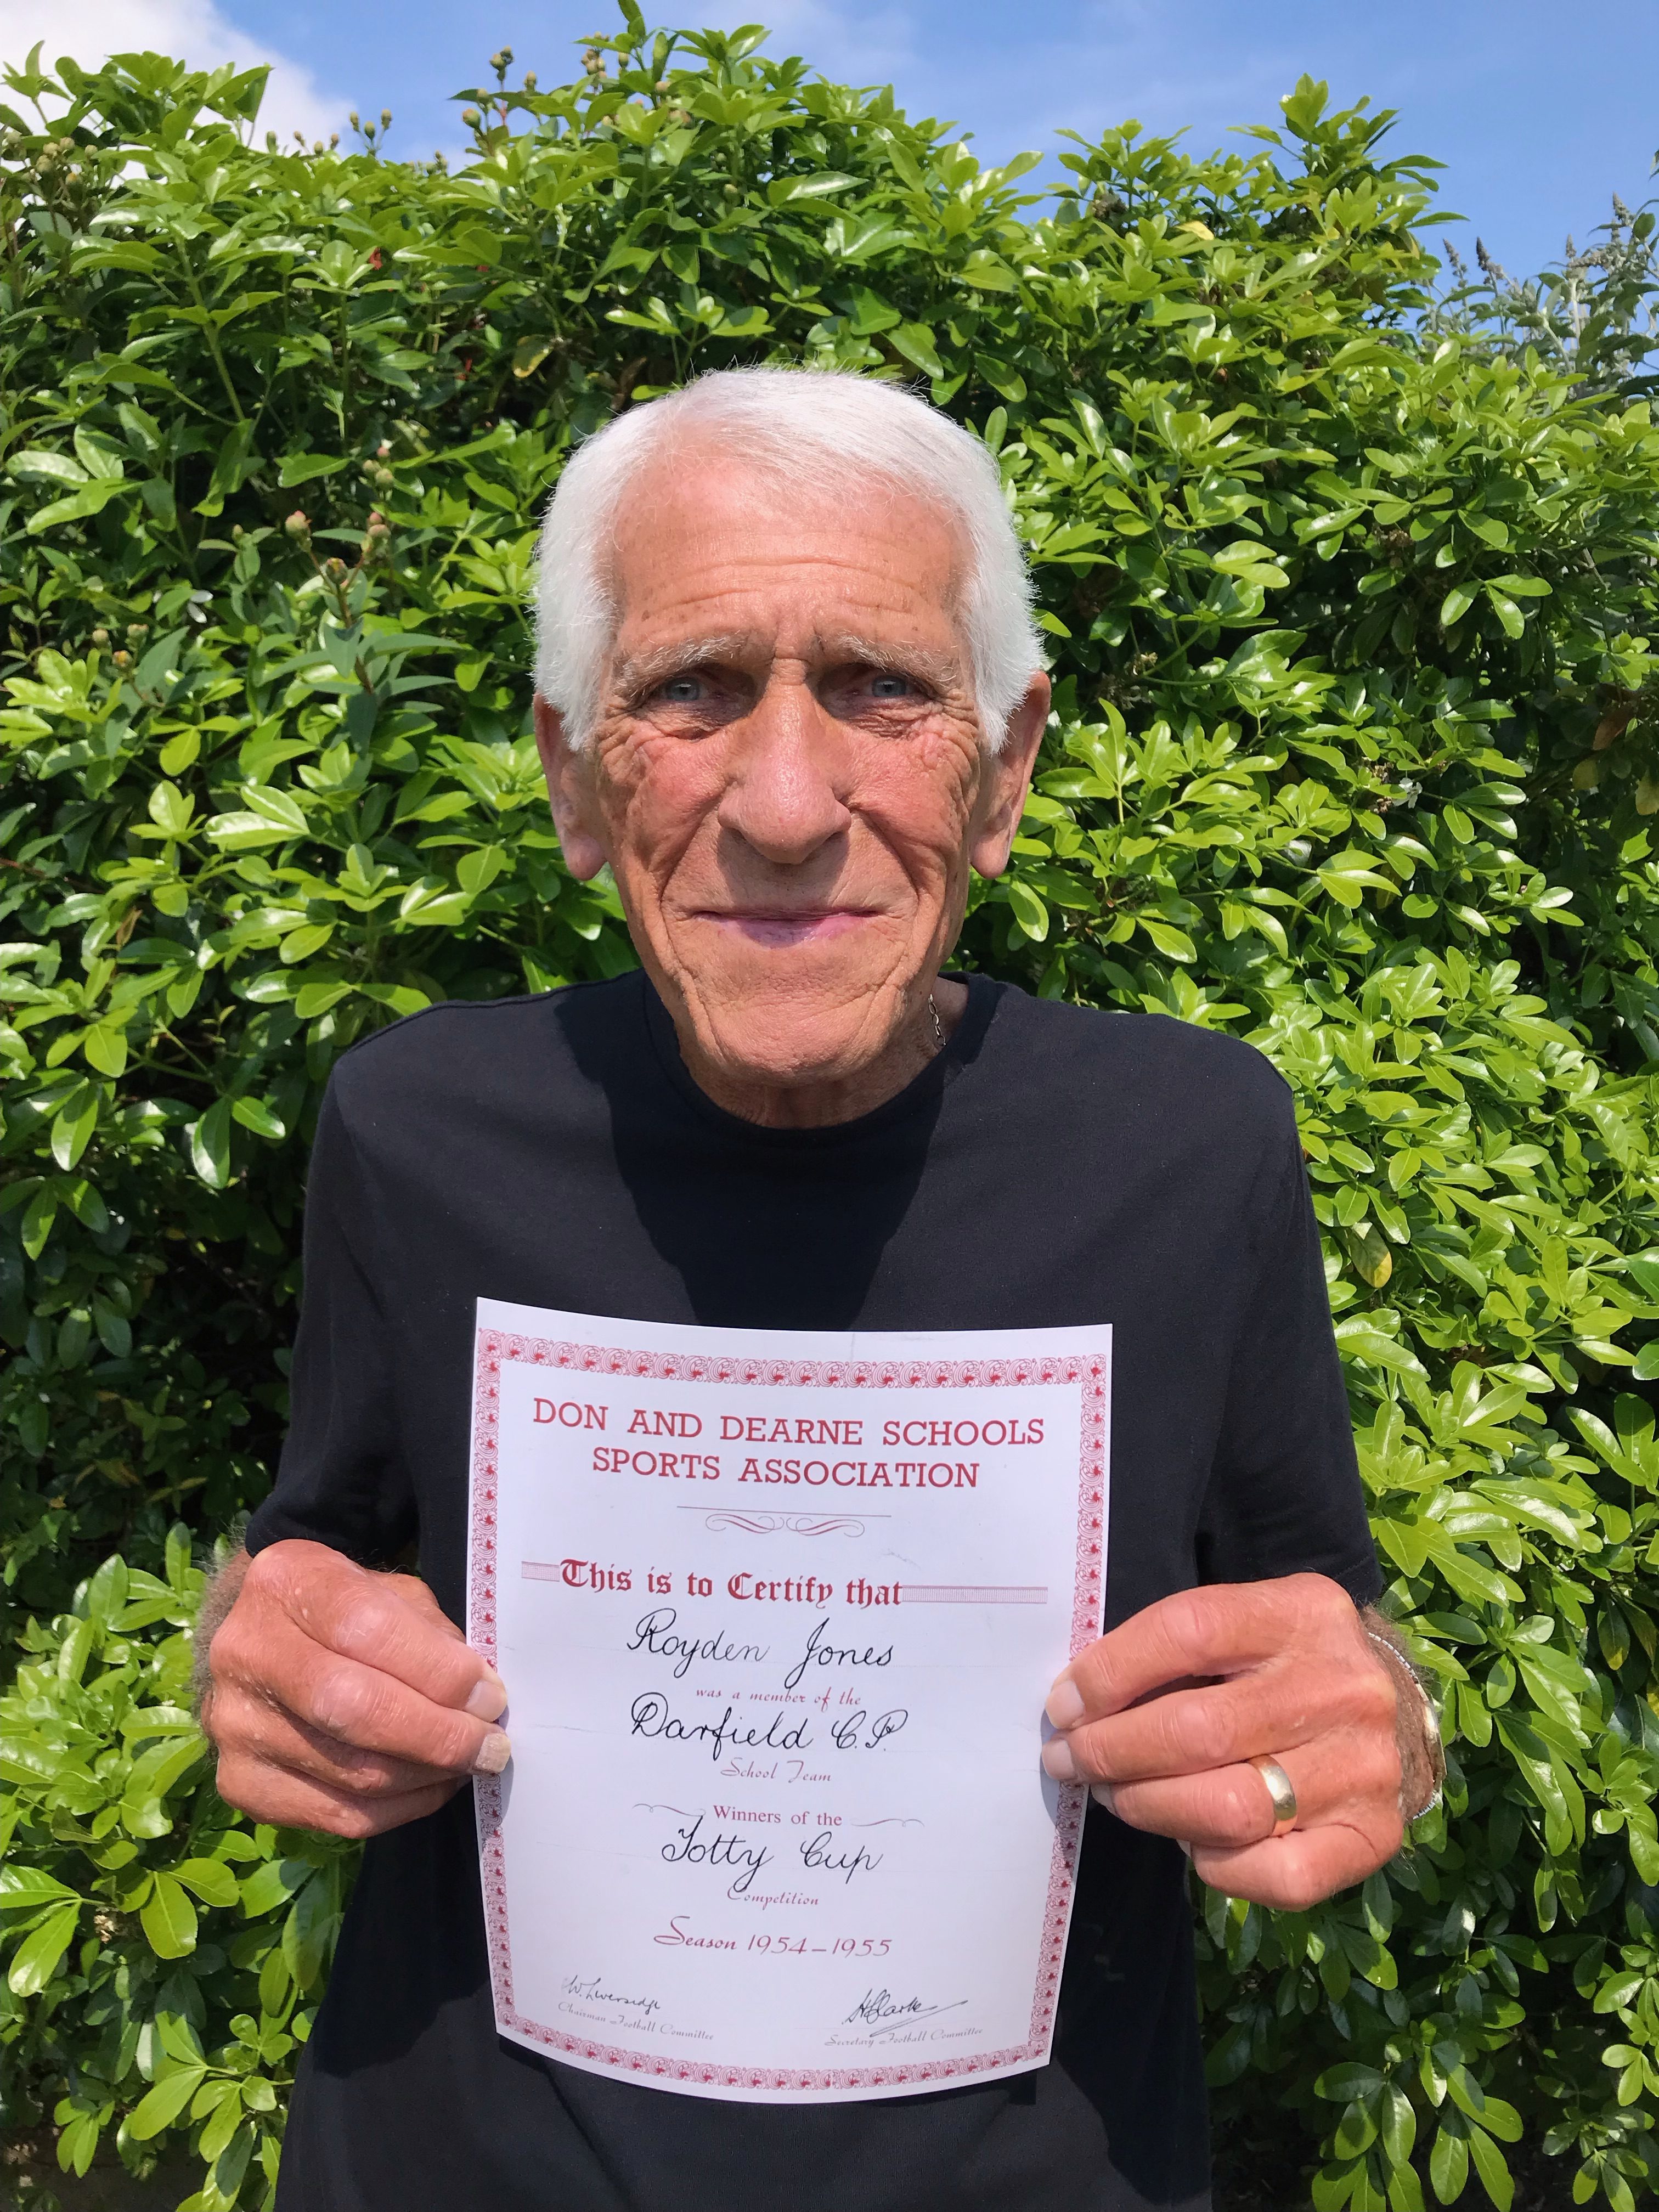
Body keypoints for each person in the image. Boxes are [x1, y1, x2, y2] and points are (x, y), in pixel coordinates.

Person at [198, 367, 1443, 2212]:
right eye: (692, 690)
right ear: (573, 773)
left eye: (880, 687)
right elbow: (320, 1550)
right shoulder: (416, 1127)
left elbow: (1323, 1619)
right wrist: (259, 1653)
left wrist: (1382, 1729)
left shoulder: (1192, 1148)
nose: (786, 803)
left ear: (1005, 767)